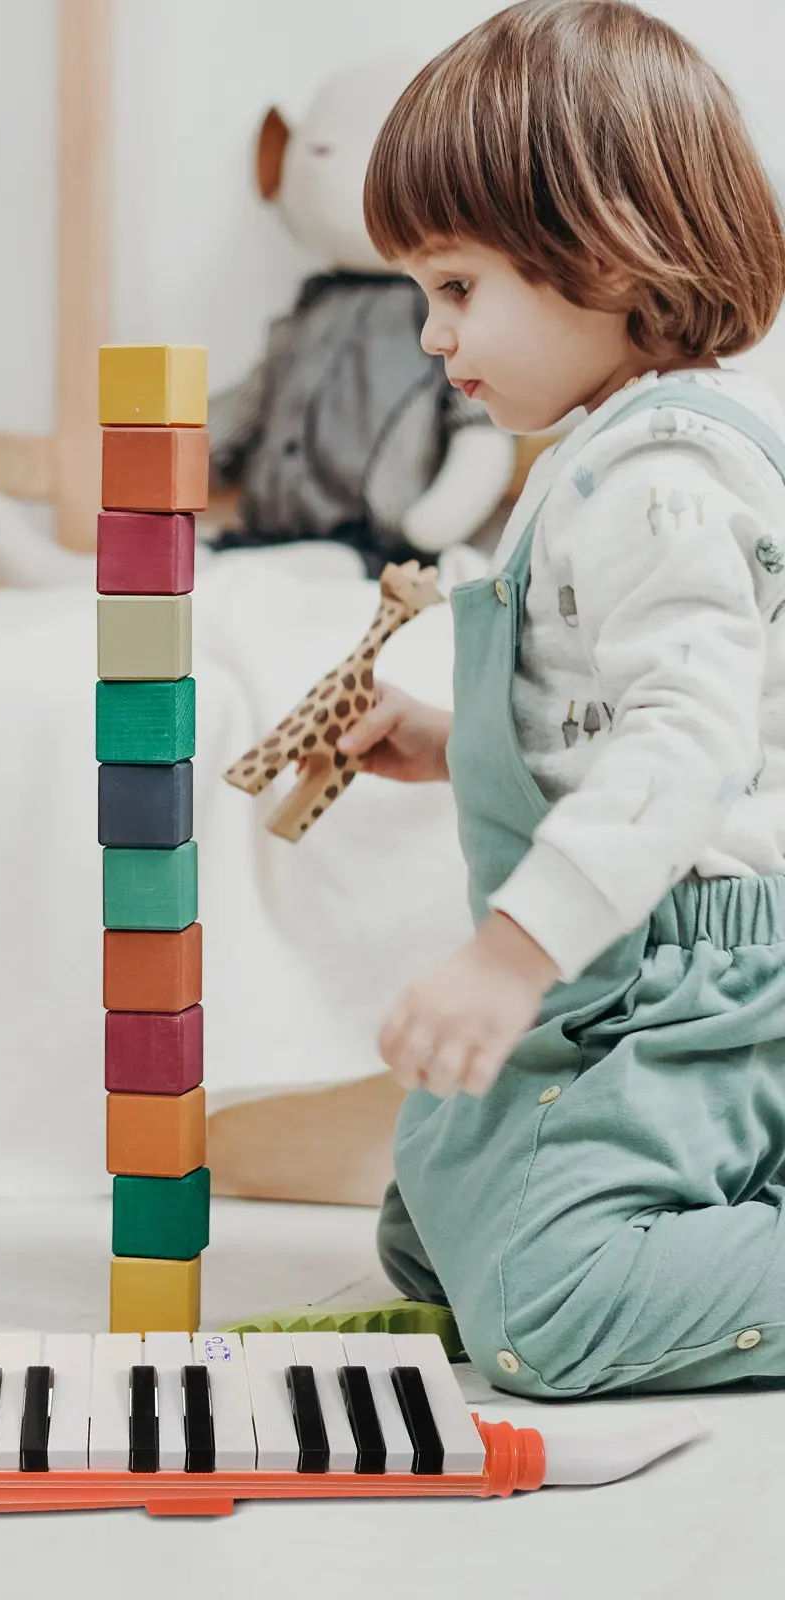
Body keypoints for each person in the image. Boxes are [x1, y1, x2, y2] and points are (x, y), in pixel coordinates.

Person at [337, 0, 785, 1400]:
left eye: (458, 287)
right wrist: (446, 741)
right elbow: (593, 704)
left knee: (550, 1310)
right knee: (431, 1236)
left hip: (683, 977)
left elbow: (689, 739)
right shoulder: (599, 456)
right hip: (622, 963)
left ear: (603, 257)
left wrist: (509, 955)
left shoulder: (658, 478)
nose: (429, 334)